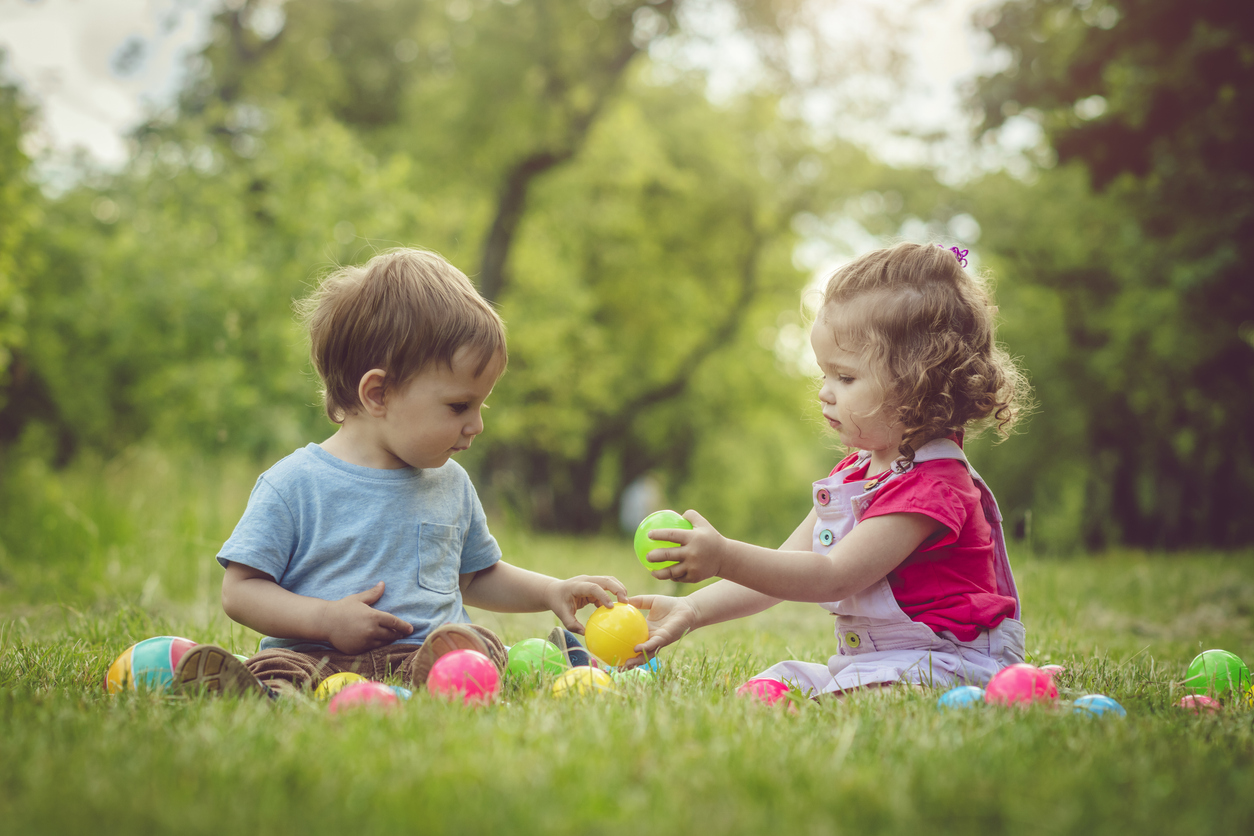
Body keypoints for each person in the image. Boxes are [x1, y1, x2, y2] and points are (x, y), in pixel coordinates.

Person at [172, 248, 623, 697]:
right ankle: (260, 692)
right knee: (278, 668)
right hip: (314, 654)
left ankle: (453, 677)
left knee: (475, 646)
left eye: (480, 406)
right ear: (378, 394)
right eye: (459, 406)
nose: (477, 425)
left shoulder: (451, 483)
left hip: (421, 652)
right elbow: (241, 591)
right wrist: (325, 620)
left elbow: (475, 576)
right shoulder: (294, 484)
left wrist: (552, 591)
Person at [629, 242, 1032, 698]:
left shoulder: (933, 487)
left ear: (918, 383)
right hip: (874, 664)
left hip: (949, 663)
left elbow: (833, 575)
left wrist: (723, 556)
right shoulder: (855, 474)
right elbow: (783, 569)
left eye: (845, 377)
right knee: (769, 685)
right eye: (824, 374)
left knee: (860, 698)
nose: (824, 392)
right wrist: (692, 611)